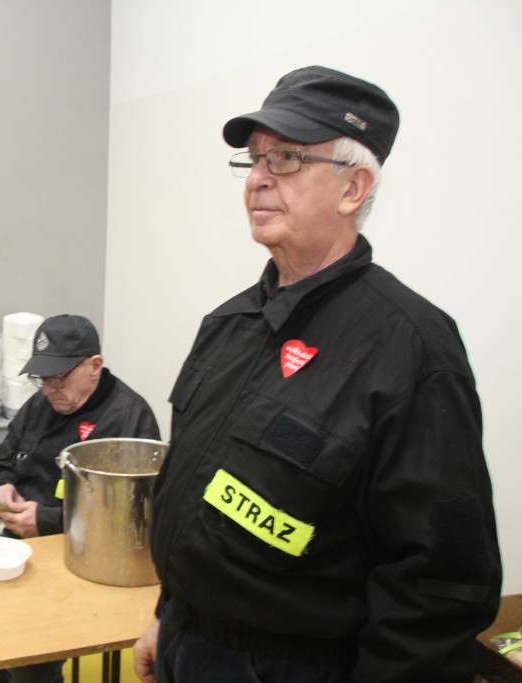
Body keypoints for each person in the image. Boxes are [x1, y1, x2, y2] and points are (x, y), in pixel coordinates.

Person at [133, 66, 502, 683]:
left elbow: (438, 587)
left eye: (286, 158)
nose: (257, 178)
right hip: (189, 641)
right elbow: (198, 495)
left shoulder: (411, 349)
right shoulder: (228, 324)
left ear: (353, 187)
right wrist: (171, 614)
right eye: (254, 159)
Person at [0, 314, 160, 683]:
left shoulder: (129, 417)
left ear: (94, 366)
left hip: (82, 557)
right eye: (41, 379)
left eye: (58, 378)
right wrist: (2, 485)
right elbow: (0, 460)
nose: (49, 389)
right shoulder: (40, 404)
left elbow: (130, 518)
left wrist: (45, 520)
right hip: (18, 546)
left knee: (30, 660)